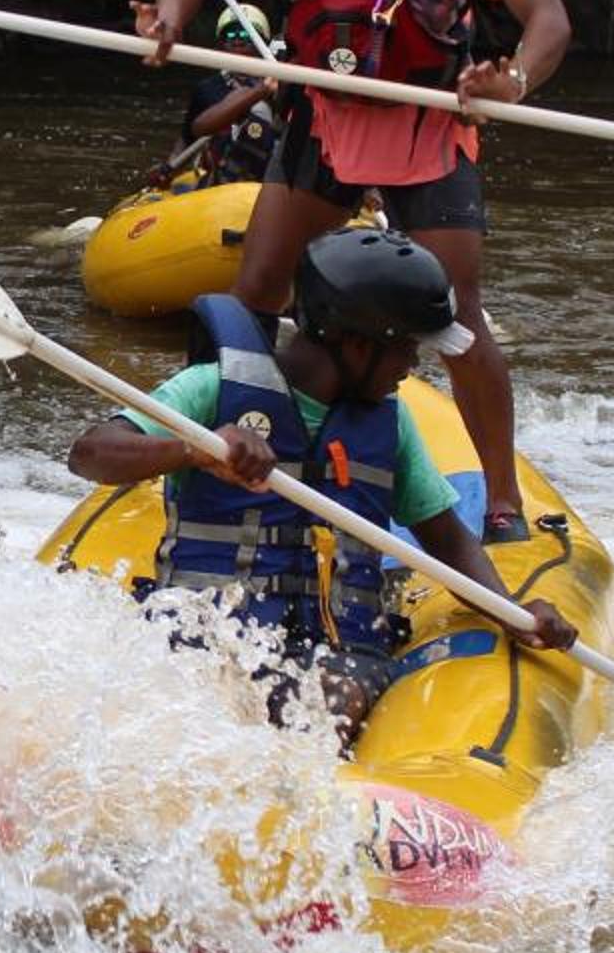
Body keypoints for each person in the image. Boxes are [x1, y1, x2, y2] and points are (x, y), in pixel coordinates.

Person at [135, 0, 570, 543]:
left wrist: (513, 77)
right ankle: (207, 444)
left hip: (427, 129)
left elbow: (546, 15)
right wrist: (169, 15)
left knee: (459, 314)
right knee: (254, 293)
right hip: (322, 124)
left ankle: (504, 504)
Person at [67, 228, 574, 740]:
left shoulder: (389, 424)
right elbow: (91, 454)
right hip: (208, 633)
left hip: (338, 654)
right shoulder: (213, 389)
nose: (413, 366)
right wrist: (192, 450)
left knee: (333, 696)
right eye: (407, 350)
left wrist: (512, 613)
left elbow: (445, 538)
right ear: (357, 345)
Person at [167, 5, 283, 185]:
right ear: (221, 44)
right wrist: (169, 167)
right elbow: (190, 136)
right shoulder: (207, 88)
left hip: (268, 172)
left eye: (246, 35)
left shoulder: (284, 81)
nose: (237, 41)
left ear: (263, 43)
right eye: (230, 35)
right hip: (223, 175)